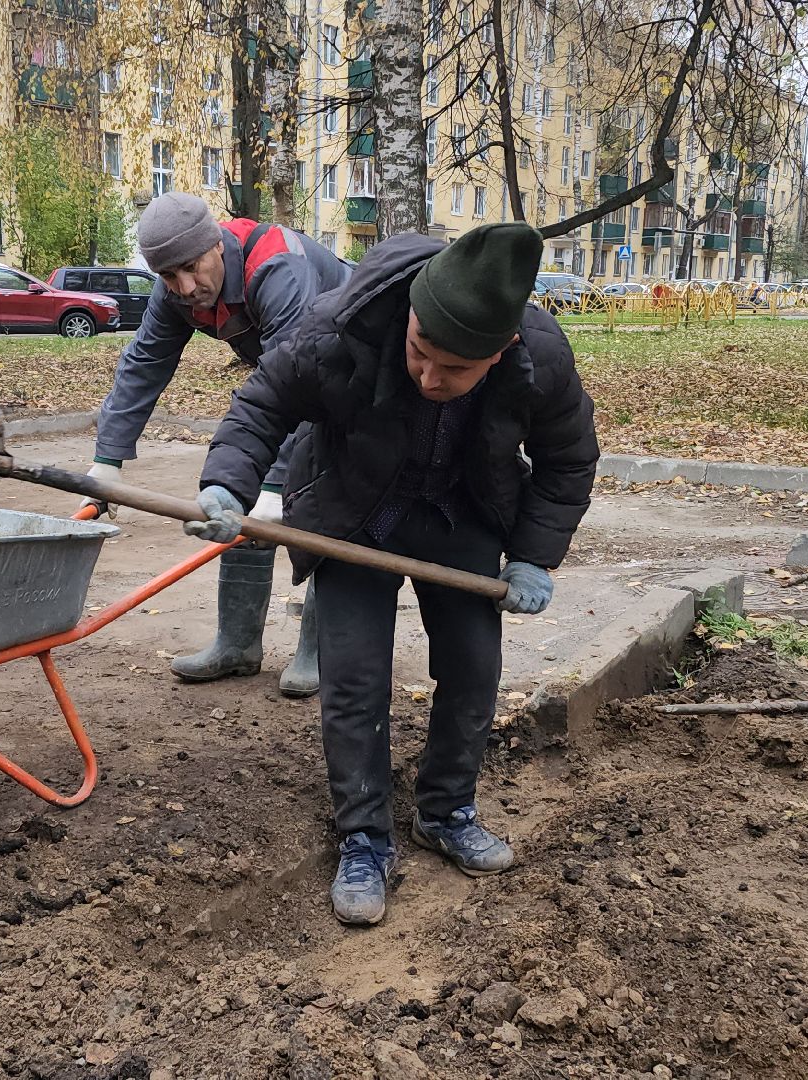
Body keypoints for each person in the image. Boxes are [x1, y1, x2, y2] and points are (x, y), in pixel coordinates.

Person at [185, 223, 600, 926]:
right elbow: (264, 405)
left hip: (461, 510)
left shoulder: (542, 357)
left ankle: (445, 811)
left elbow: (569, 460)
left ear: (500, 352)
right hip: (354, 510)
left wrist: (533, 553)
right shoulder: (342, 323)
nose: (431, 379)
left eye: (456, 370)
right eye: (420, 355)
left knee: (473, 667)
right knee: (354, 677)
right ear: (408, 317)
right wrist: (228, 484)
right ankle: (364, 837)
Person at [87, 192, 351, 697]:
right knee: (237, 490)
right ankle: (238, 644)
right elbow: (144, 364)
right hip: (293, 374)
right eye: (169, 277)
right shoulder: (177, 293)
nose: (185, 288)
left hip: (355, 378)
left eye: (191, 268)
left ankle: (321, 652)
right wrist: (107, 462)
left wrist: (276, 486)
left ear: (216, 244)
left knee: (324, 500)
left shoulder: (278, 269)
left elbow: (299, 381)